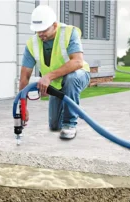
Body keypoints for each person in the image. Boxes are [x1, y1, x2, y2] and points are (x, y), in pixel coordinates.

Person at [19, 5, 91, 140]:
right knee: (54, 126)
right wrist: (22, 108)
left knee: (71, 78)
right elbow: (24, 77)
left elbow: (78, 62)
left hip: (79, 75)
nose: (40, 34)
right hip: (57, 84)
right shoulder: (32, 44)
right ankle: (72, 108)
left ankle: (70, 123)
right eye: (37, 30)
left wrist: (48, 77)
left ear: (54, 25)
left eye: (44, 30)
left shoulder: (69, 33)